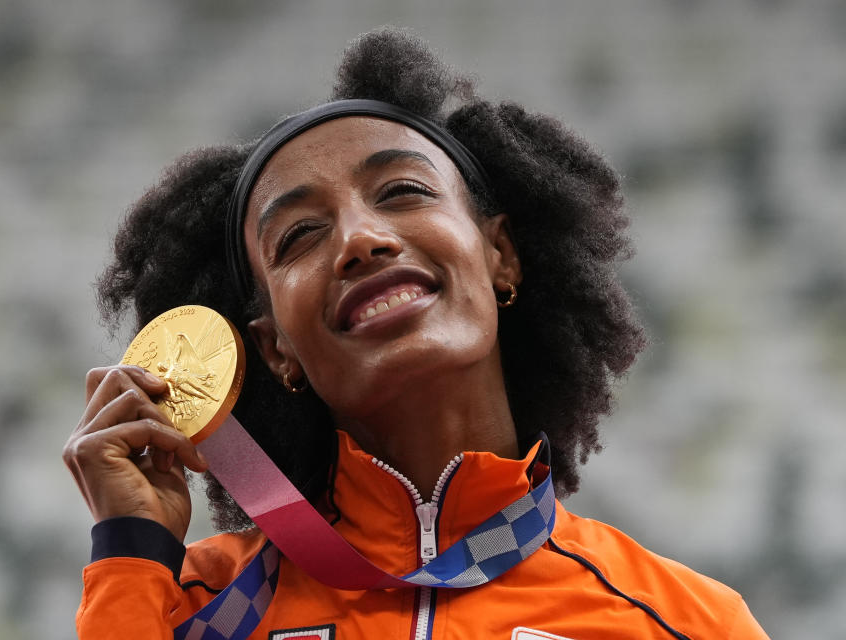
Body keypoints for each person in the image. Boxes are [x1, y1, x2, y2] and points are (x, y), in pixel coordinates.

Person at [63, 28, 769, 639]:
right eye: (301, 235)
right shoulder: (186, 606)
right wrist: (131, 550)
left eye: (402, 192)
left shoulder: (685, 621)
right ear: (276, 349)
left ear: (501, 256)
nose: (361, 239)